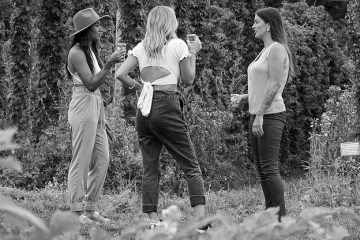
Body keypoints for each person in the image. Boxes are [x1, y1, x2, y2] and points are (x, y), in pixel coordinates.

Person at [115, 6, 210, 232]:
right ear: (170, 23)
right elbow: (188, 79)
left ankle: (153, 221)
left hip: (144, 111)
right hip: (167, 106)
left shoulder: (141, 47)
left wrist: (141, 87)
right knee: (191, 165)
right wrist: (193, 51)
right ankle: (201, 224)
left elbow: (120, 74)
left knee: (150, 167)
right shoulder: (178, 45)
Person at [231, 7, 294, 220]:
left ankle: (280, 219)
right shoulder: (264, 50)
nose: (253, 25)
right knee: (262, 169)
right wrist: (245, 97)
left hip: (270, 115)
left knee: (269, 168)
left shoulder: (276, 49)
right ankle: (271, 216)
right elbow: (264, 85)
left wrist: (260, 114)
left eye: (256, 21)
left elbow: (276, 85)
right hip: (258, 114)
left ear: (268, 25)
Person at [66, 8, 125, 224]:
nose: (101, 29)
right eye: (97, 25)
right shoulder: (76, 52)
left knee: (102, 158)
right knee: (81, 160)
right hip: (83, 104)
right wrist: (109, 64)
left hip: (95, 105)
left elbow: (95, 89)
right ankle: (75, 212)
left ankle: (89, 209)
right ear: (86, 30)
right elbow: (90, 84)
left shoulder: (90, 49)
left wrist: (102, 116)